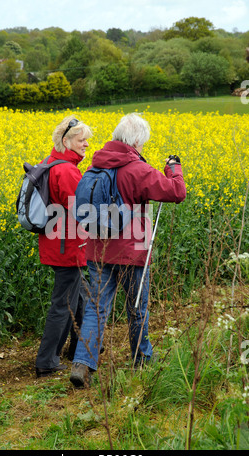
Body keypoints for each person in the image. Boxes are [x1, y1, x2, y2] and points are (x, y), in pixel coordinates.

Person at [70, 113, 186, 387]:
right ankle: (141, 359)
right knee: (137, 308)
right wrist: (174, 168)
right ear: (135, 141)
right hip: (132, 255)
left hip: (98, 251)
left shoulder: (95, 166)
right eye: (142, 143)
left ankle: (82, 364)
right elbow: (177, 192)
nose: (143, 148)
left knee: (96, 309)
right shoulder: (137, 169)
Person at [35, 115, 92, 378]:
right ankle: (46, 360)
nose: (86, 145)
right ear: (67, 141)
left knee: (79, 296)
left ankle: (78, 348)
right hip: (66, 247)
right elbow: (79, 210)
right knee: (63, 304)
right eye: (82, 141)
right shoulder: (67, 170)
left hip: (57, 242)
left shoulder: (51, 162)